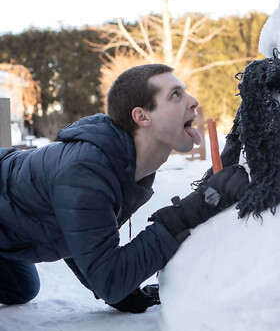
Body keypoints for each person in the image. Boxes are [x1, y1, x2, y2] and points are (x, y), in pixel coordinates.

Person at [0, 64, 248, 313]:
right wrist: (189, 213)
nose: (193, 101)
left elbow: (81, 233)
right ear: (142, 117)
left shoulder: (126, 165)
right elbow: (108, 279)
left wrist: (124, 293)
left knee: (21, 288)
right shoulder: (87, 171)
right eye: (175, 95)